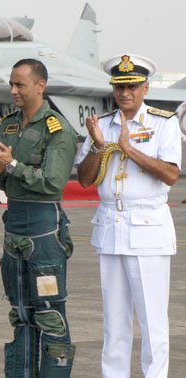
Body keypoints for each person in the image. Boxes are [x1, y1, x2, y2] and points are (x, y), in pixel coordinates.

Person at [75, 54, 179, 378]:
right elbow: (84, 179)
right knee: (114, 324)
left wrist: (129, 149)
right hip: (111, 228)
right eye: (119, 86)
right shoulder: (101, 124)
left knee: (152, 323)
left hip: (148, 229)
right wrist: (97, 146)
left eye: (132, 86)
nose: (125, 93)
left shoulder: (163, 123)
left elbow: (171, 174)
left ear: (145, 87)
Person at [0, 59, 78, 377]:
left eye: (20, 84)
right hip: (14, 230)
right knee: (20, 314)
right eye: (11, 84)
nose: (13, 90)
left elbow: (52, 183)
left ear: (40, 86)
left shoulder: (58, 130)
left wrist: (10, 166)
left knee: (49, 314)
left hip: (44, 231)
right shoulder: (7, 125)